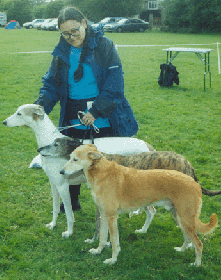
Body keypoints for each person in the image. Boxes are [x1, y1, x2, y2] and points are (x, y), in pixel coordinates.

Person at [34, 6, 139, 212]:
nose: (71, 37)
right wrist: (40, 108)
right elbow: (51, 84)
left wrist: (97, 111)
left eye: (74, 31)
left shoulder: (104, 46)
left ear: (84, 23)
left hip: (104, 112)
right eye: (65, 33)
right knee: (71, 157)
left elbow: (115, 85)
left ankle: (114, 202)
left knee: (106, 161)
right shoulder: (61, 52)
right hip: (73, 111)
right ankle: (71, 202)